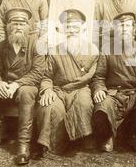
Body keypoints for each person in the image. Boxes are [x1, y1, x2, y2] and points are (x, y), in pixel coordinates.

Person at [0, 8, 44, 165]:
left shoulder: (37, 45)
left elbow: (38, 72)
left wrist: (17, 84)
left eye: (22, 24)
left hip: (27, 86)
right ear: (8, 26)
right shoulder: (1, 46)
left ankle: (23, 144)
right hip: (6, 86)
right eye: (14, 23)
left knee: (26, 93)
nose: (18, 27)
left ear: (28, 27)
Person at [91, 12, 136, 154]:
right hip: (113, 93)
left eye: (127, 26)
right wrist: (99, 89)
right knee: (102, 105)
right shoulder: (106, 49)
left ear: (134, 29)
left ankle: (135, 136)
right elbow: (98, 76)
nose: (123, 29)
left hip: (134, 93)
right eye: (120, 26)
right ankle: (109, 136)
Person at [36, 9, 99, 156]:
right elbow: (46, 76)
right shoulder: (54, 51)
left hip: (81, 89)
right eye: (68, 27)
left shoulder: (92, 50)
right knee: (49, 106)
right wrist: (47, 90)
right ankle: (56, 143)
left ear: (82, 28)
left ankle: (81, 138)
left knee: (83, 104)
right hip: (59, 90)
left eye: (75, 27)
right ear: (63, 29)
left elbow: (93, 75)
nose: (71, 31)